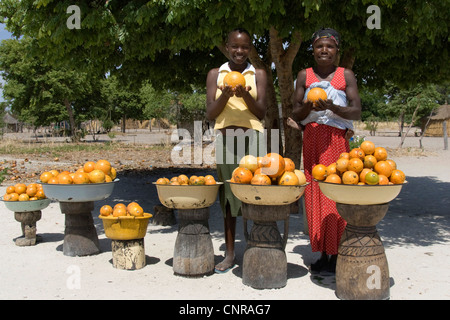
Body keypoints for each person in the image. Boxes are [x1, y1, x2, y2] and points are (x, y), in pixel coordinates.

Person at [290, 28, 361, 275]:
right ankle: (321, 252)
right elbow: (296, 113)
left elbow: (356, 111)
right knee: (314, 195)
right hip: (312, 141)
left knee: (336, 193)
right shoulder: (304, 76)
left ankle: (337, 253)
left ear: (337, 50)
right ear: (313, 49)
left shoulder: (345, 75)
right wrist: (310, 104)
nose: (324, 51)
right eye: (319, 46)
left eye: (329, 47)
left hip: (336, 141)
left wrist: (331, 107)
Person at [206, 28, 267, 273]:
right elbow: (211, 113)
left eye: (244, 47)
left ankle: (256, 245)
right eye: (234, 46)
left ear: (250, 49)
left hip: (252, 136)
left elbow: (261, 112)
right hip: (224, 136)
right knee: (229, 196)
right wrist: (225, 94)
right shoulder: (215, 74)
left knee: (256, 190)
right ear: (227, 47)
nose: (239, 51)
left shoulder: (258, 74)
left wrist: (244, 96)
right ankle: (230, 253)